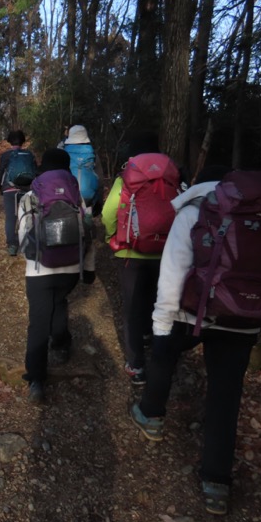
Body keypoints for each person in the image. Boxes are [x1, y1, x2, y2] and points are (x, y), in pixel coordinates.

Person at [128, 165, 252, 516]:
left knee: (164, 354)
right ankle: (216, 481)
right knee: (225, 398)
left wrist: (161, 323)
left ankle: (151, 415)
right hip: (243, 319)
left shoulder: (194, 212)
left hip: (190, 313)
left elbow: (173, 272)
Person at [17, 148, 95, 403]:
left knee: (38, 322)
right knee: (60, 303)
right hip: (72, 267)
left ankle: (37, 379)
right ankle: (61, 345)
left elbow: (22, 236)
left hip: (40, 270)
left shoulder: (30, 196)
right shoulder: (76, 196)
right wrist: (89, 268)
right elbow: (87, 233)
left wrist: (34, 258)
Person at [102, 140, 179, 386]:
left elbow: (107, 214)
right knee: (157, 301)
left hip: (130, 254)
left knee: (132, 309)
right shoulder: (173, 181)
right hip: (165, 252)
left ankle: (136, 365)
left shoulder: (124, 180)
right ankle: (153, 343)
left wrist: (113, 237)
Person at [0, 130, 37, 256]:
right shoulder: (29, 154)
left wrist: (1, 188)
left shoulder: (6, 155)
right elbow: (35, 171)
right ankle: (31, 243)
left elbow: (0, 173)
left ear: (9, 141)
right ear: (23, 141)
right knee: (30, 215)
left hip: (10, 189)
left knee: (10, 218)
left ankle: (12, 246)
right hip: (27, 189)